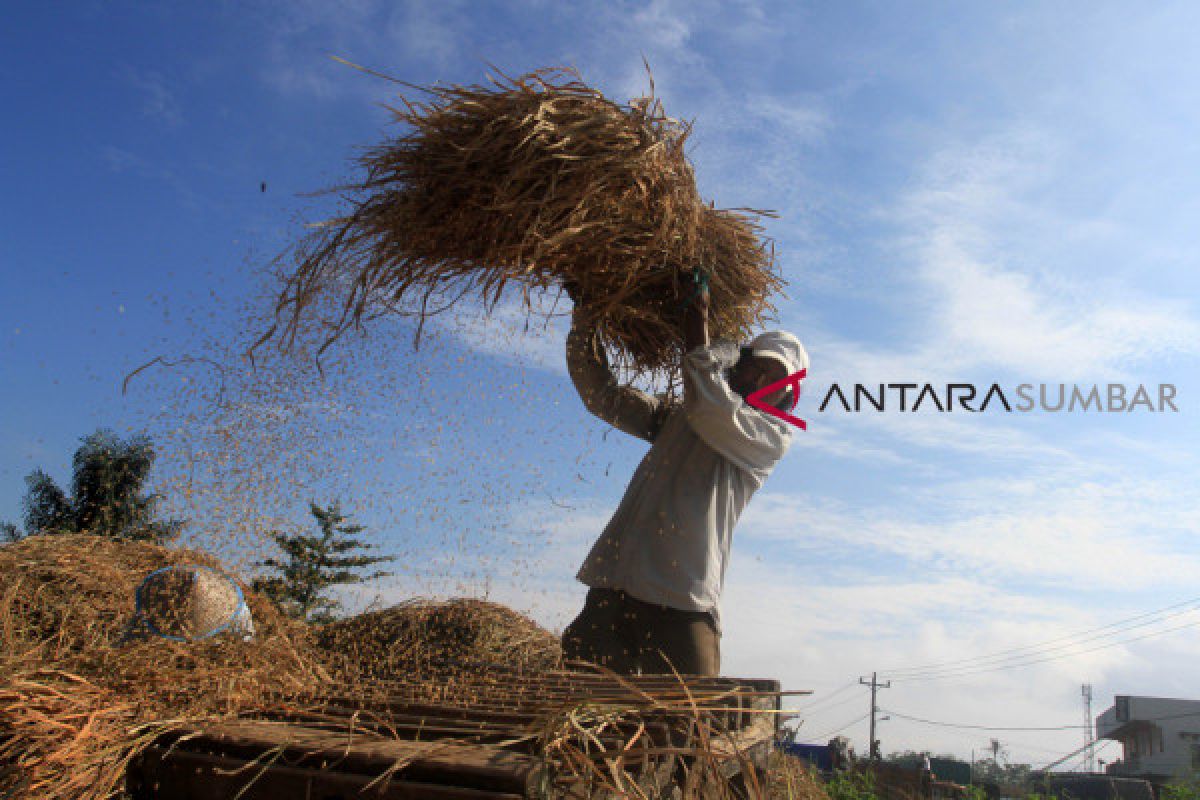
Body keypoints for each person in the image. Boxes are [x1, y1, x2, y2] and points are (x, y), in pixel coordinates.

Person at [560, 275, 807, 676]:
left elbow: (709, 404)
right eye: (756, 368)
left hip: (681, 599)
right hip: (614, 584)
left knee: (686, 724)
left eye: (775, 380)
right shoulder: (680, 417)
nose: (761, 383)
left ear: (786, 395)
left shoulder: (769, 438)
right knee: (581, 710)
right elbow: (600, 395)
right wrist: (586, 315)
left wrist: (698, 323)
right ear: (740, 366)